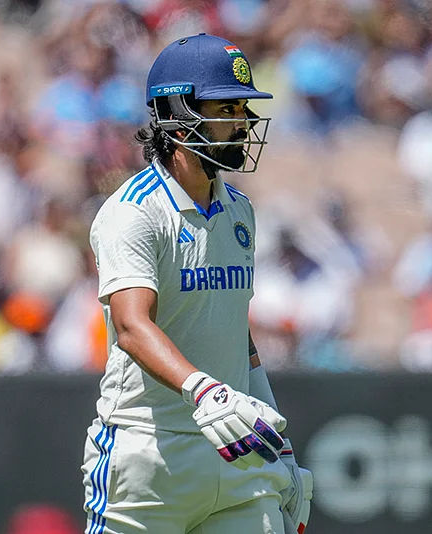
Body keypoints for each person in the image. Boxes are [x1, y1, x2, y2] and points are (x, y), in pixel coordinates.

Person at [81, 34, 313, 534]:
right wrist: (204, 392)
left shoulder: (239, 210)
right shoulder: (134, 212)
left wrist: (280, 445)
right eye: (227, 107)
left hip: (232, 448)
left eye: (243, 108)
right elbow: (131, 325)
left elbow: (234, 332)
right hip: (149, 453)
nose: (244, 123)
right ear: (177, 113)